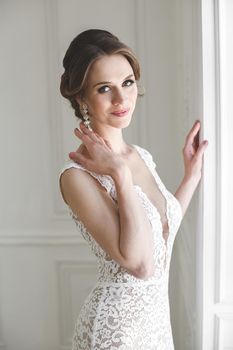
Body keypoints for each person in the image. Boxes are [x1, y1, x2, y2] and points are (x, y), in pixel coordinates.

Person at [58, 29, 208, 350]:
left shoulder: (139, 155)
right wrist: (119, 175)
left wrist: (191, 176)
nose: (121, 98)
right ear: (81, 98)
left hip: (156, 325)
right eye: (104, 89)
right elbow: (140, 264)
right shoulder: (76, 177)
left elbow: (161, 237)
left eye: (127, 82)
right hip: (116, 333)